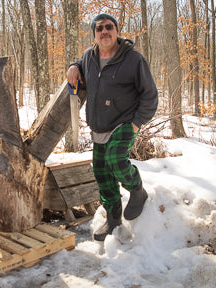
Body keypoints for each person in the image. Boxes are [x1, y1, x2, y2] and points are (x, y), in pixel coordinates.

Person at [67, 13, 158, 241]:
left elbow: (150, 95)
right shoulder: (89, 56)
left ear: (117, 31)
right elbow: (80, 64)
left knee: (116, 161)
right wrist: (73, 66)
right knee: (101, 175)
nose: (104, 31)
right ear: (94, 34)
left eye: (109, 27)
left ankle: (137, 191)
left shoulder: (133, 59)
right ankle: (113, 218)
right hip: (98, 126)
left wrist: (137, 123)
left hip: (124, 122)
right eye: (99, 28)